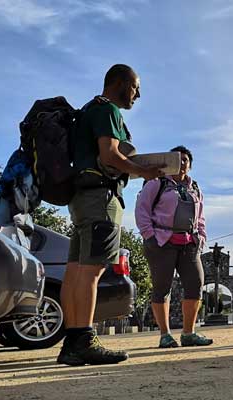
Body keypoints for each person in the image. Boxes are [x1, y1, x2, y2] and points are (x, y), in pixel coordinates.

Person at [58, 64, 164, 366]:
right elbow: (109, 155)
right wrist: (144, 172)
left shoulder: (86, 110)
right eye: (135, 87)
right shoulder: (108, 112)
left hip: (80, 197)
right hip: (100, 199)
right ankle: (85, 340)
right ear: (118, 83)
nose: (138, 94)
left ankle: (72, 340)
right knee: (92, 271)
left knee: (75, 271)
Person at [136, 145, 213, 348]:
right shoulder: (156, 183)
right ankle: (165, 334)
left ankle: (189, 333)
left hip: (189, 244)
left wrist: (201, 237)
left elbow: (201, 216)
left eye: (185, 160)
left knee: (195, 284)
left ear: (190, 165)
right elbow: (142, 209)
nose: (181, 163)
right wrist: (149, 235)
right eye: (177, 159)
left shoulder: (194, 187)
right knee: (162, 288)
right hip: (162, 242)